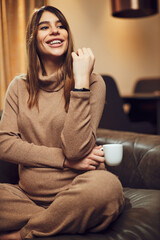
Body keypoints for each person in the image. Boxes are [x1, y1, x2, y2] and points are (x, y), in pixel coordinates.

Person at [0, 5, 124, 240]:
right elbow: (4, 145)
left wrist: (80, 82)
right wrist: (65, 161)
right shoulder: (18, 87)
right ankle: (63, 218)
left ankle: (26, 232)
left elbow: (76, 148)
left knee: (107, 190)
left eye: (61, 26)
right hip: (27, 196)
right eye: (45, 27)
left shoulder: (93, 82)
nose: (55, 31)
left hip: (80, 188)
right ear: (33, 40)